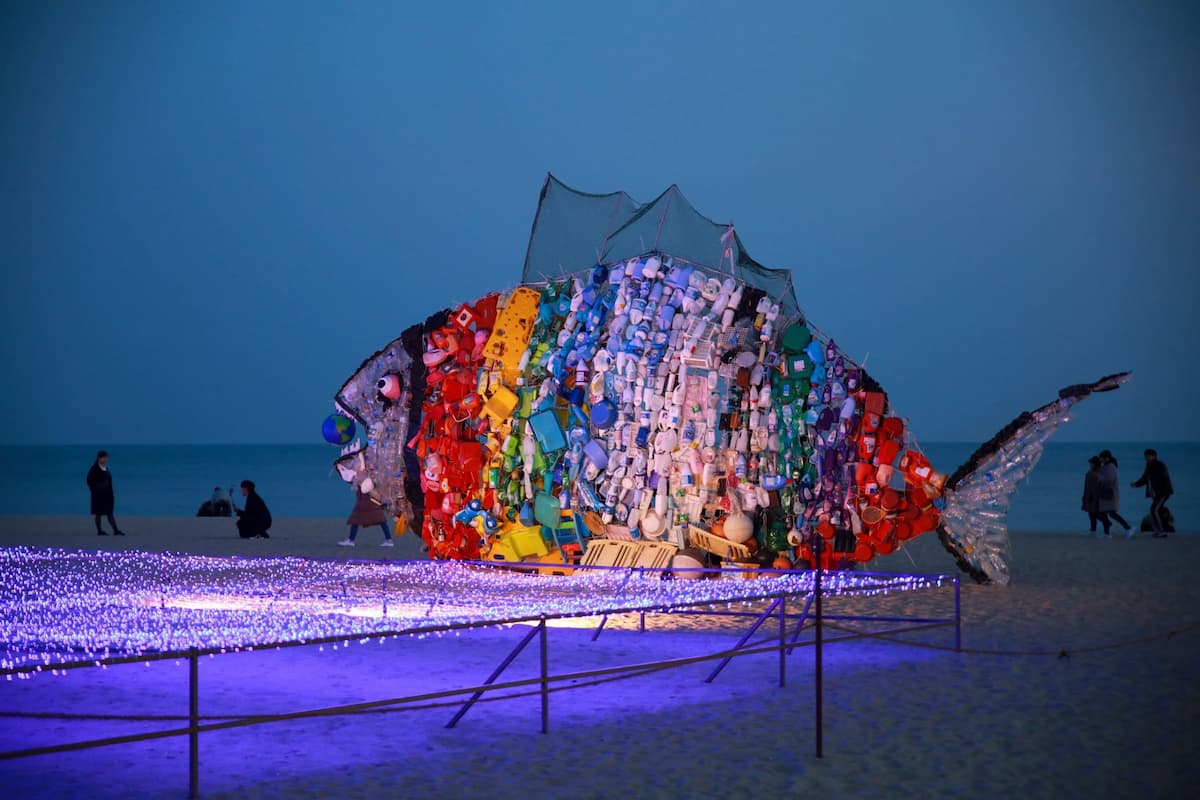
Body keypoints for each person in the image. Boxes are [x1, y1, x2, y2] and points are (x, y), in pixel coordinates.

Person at [1131, 449, 1174, 538]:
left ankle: (1161, 531)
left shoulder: (1160, 465)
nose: (1146, 458)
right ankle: (1160, 530)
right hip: (1155, 494)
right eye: (1145, 456)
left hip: (1162, 493)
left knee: (1154, 510)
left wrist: (1161, 493)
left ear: (1153, 456)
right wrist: (1136, 484)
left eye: (1147, 456)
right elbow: (1145, 478)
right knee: (1156, 510)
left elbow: (1164, 480)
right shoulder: (1149, 466)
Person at [86, 450, 125, 536]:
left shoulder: (105, 468)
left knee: (109, 513)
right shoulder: (94, 468)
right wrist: (95, 489)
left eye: (106, 458)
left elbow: (109, 482)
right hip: (98, 494)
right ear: (99, 458)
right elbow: (89, 480)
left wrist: (111, 493)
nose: (105, 459)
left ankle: (115, 530)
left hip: (107, 494)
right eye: (104, 457)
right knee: (98, 513)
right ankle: (100, 530)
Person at [1096, 450, 1133, 537]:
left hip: (1110, 494)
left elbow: (1109, 479)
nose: (1100, 459)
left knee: (1111, 513)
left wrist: (1099, 479)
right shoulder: (1105, 466)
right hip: (1105, 494)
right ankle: (1107, 533)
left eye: (1101, 457)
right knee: (1104, 513)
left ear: (1106, 458)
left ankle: (1128, 528)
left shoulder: (1111, 466)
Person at [1082, 456, 1107, 536]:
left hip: (1094, 497)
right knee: (1091, 513)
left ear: (1095, 465)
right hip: (1090, 496)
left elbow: (1097, 486)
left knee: (1095, 513)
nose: (1090, 465)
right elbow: (1086, 486)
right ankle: (1093, 529)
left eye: (1091, 464)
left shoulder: (1096, 474)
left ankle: (1105, 524)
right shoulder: (1090, 474)